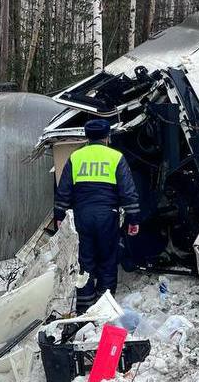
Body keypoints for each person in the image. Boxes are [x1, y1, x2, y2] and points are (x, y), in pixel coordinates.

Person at [53, 119, 140, 312]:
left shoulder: (76, 157)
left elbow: (63, 191)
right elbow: (128, 192)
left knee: (84, 263)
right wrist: (133, 218)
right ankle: (104, 307)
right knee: (108, 261)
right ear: (107, 137)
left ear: (87, 137)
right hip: (108, 217)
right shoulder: (116, 157)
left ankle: (84, 310)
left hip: (82, 217)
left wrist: (59, 215)